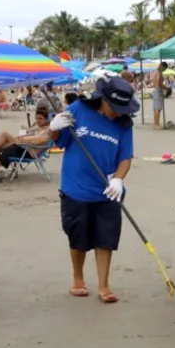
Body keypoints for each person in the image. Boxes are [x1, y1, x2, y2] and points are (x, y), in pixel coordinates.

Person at [47, 76, 137, 303]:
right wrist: (53, 128)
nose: (117, 113)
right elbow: (59, 141)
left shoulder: (124, 124)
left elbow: (126, 157)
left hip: (107, 190)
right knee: (77, 236)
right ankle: (78, 278)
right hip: (75, 188)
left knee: (106, 237)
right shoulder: (78, 109)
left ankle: (104, 285)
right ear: (103, 100)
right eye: (114, 108)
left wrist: (118, 179)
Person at [153, 62, 168, 130]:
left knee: (156, 108)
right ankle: (157, 124)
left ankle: (156, 123)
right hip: (158, 90)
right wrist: (165, 87)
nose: (164, 70)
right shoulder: (159, 72)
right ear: (162, 66)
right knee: (158, 109)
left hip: (156, 90)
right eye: (164, 68)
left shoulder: (155, 71)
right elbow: (159, 83)